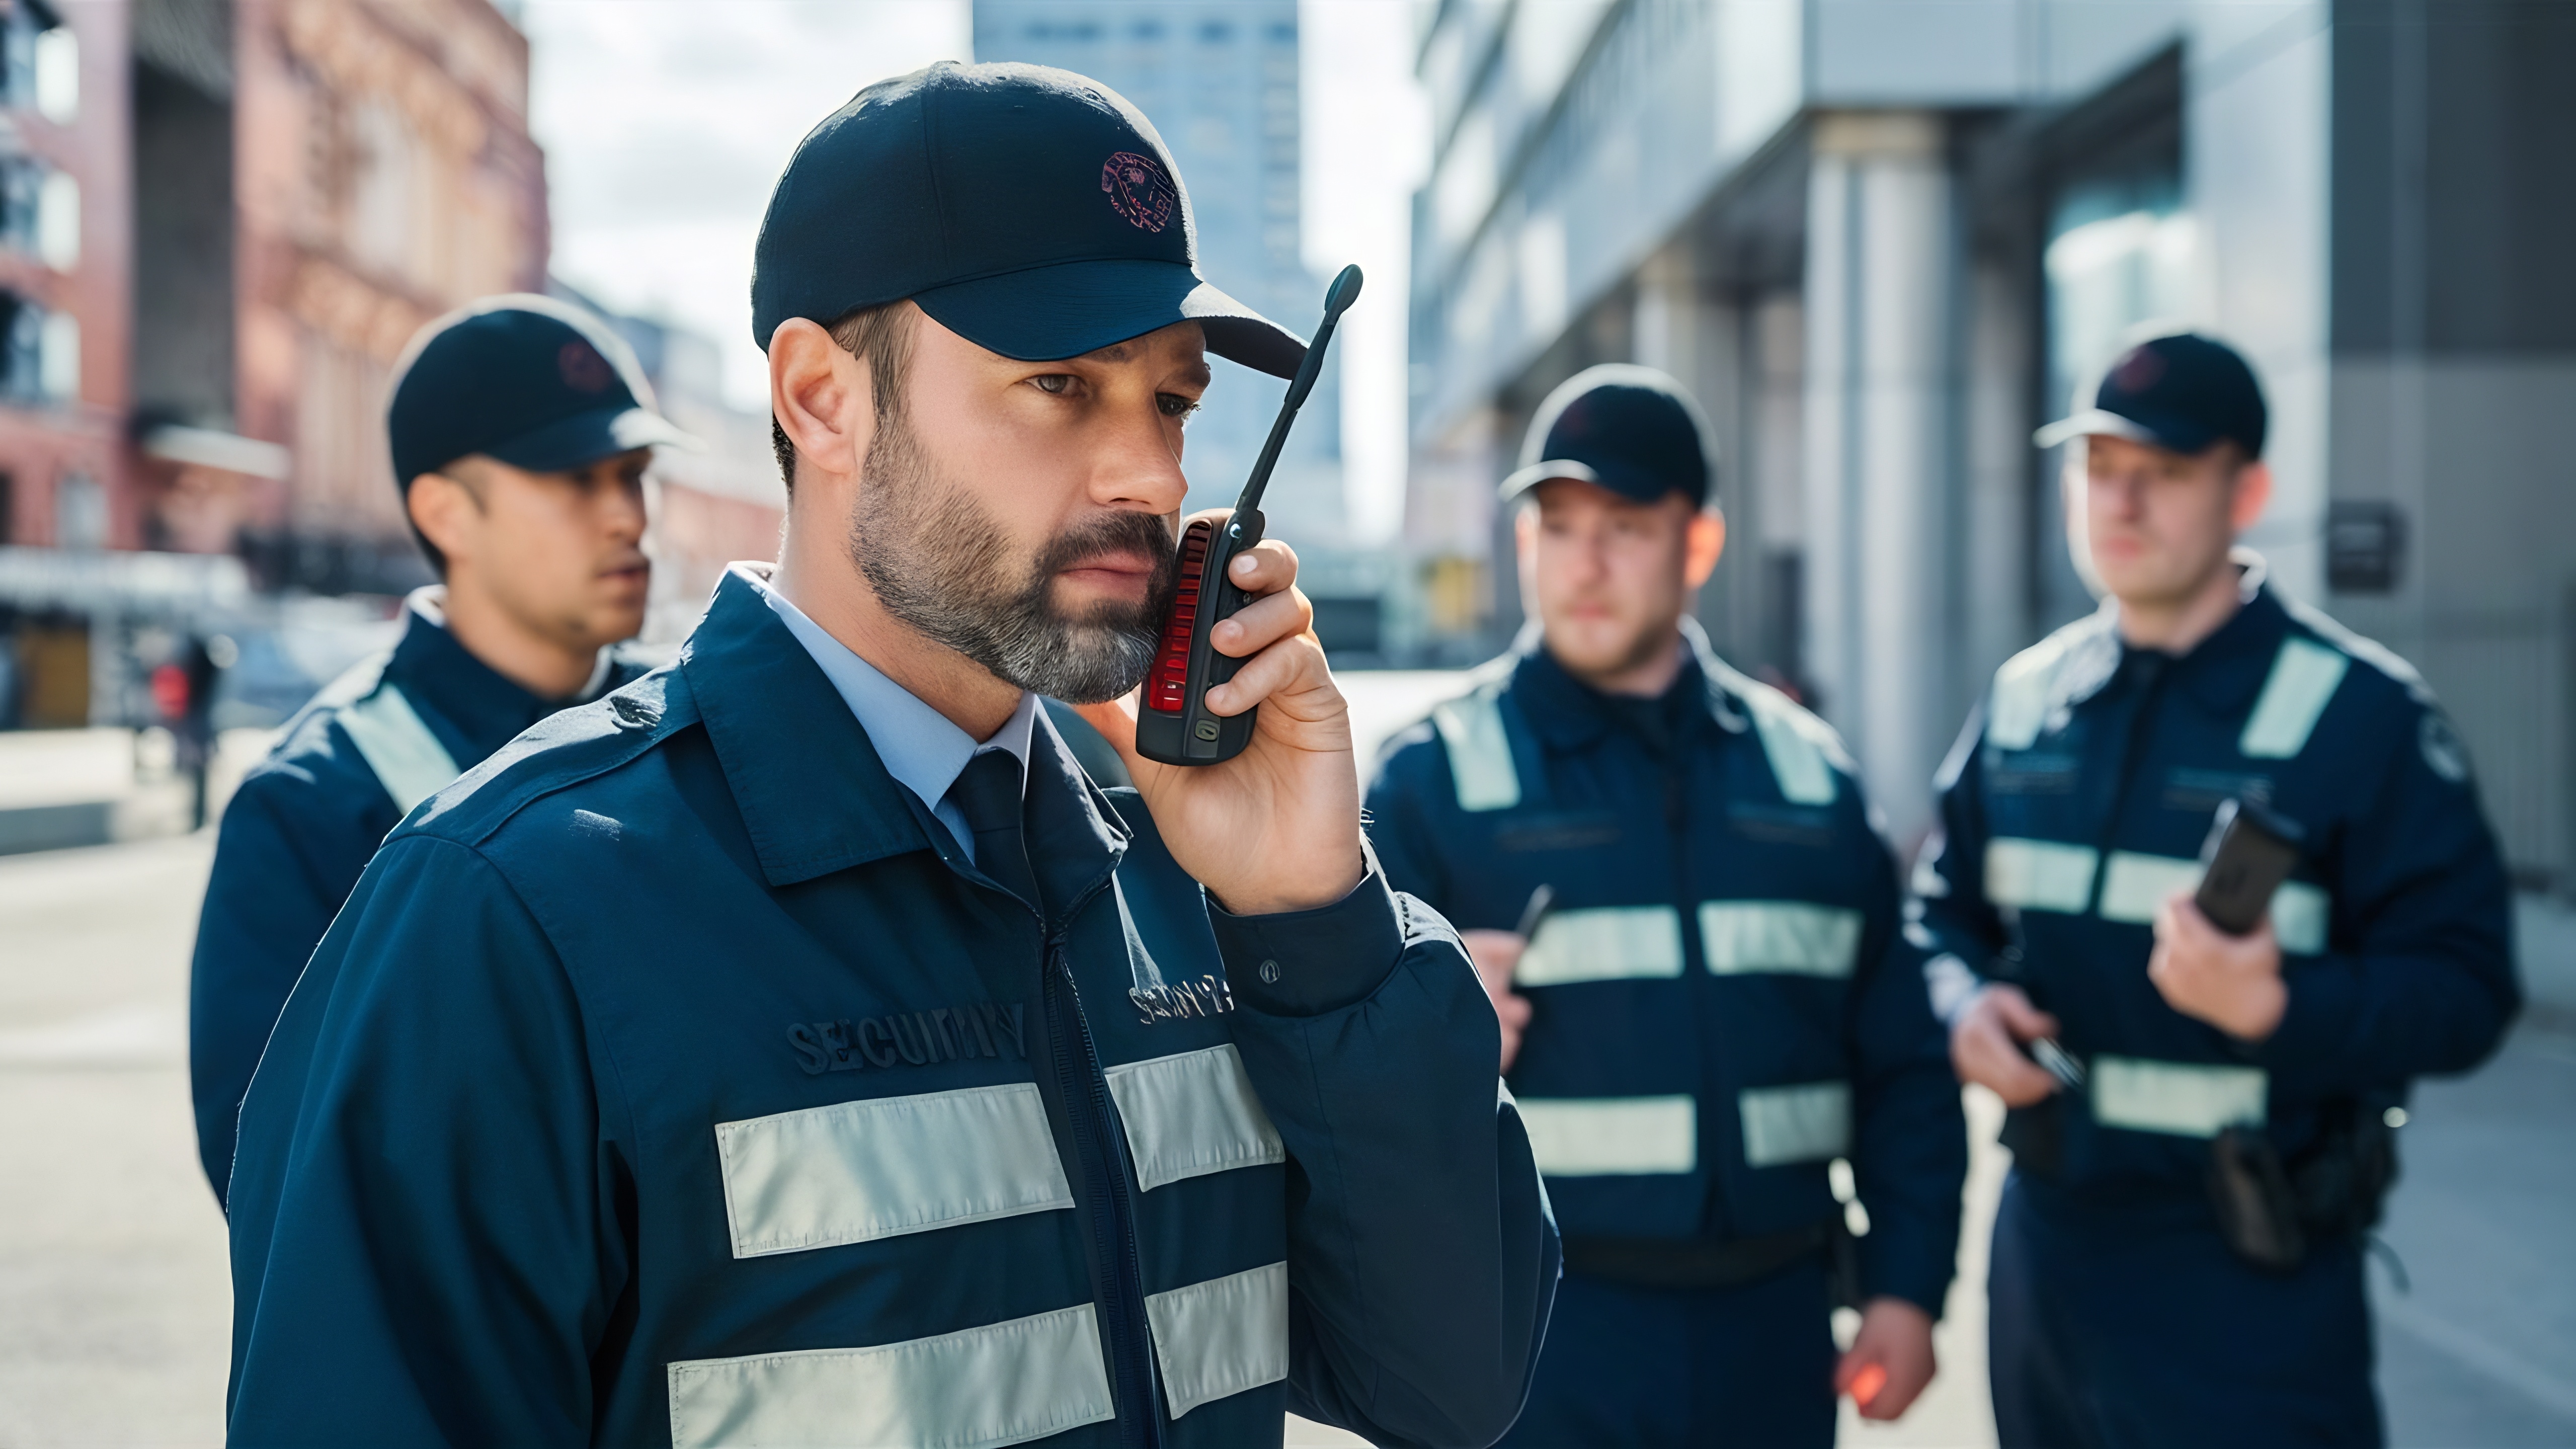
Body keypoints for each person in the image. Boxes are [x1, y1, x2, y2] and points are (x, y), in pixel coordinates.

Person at [223, 63, 1555, 1448]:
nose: (1150, 476)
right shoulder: (507, 918)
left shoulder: (1200, 874)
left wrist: (1320, 920)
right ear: (821, 398)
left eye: (1169, 402)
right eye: (1058, 382)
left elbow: (1445, 1383)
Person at [1914, 332, 2519, 1447]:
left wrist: (2284, 1007)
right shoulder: (2022, 700)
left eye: (2165, 472)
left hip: (2247, 1283)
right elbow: (1937, 914)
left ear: (2248, 490)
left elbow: (2469, 989)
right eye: (2097, 468)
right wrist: (1963, 1006)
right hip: (2047, 1258)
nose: (2122, 503)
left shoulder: (2361, 716)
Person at [1367, 366, 1966, 1446]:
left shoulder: (1811, 781)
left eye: (1625, 526)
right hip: (1533, 1339)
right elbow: (1330, 1090)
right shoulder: (1428, 782)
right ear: (1523, 544)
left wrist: (1907, 1287)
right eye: (1557, 524)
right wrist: (1424, 1045)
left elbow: (1904, 1064)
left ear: (1697, 545)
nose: (1583, 562)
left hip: (1773, 1334)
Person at [187, 295, 691, 1206]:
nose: (626, 516)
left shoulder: (705, 724)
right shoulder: (318, 803)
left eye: (635, 472)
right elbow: (280, 1183)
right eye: (577, 478)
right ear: (446, 514)